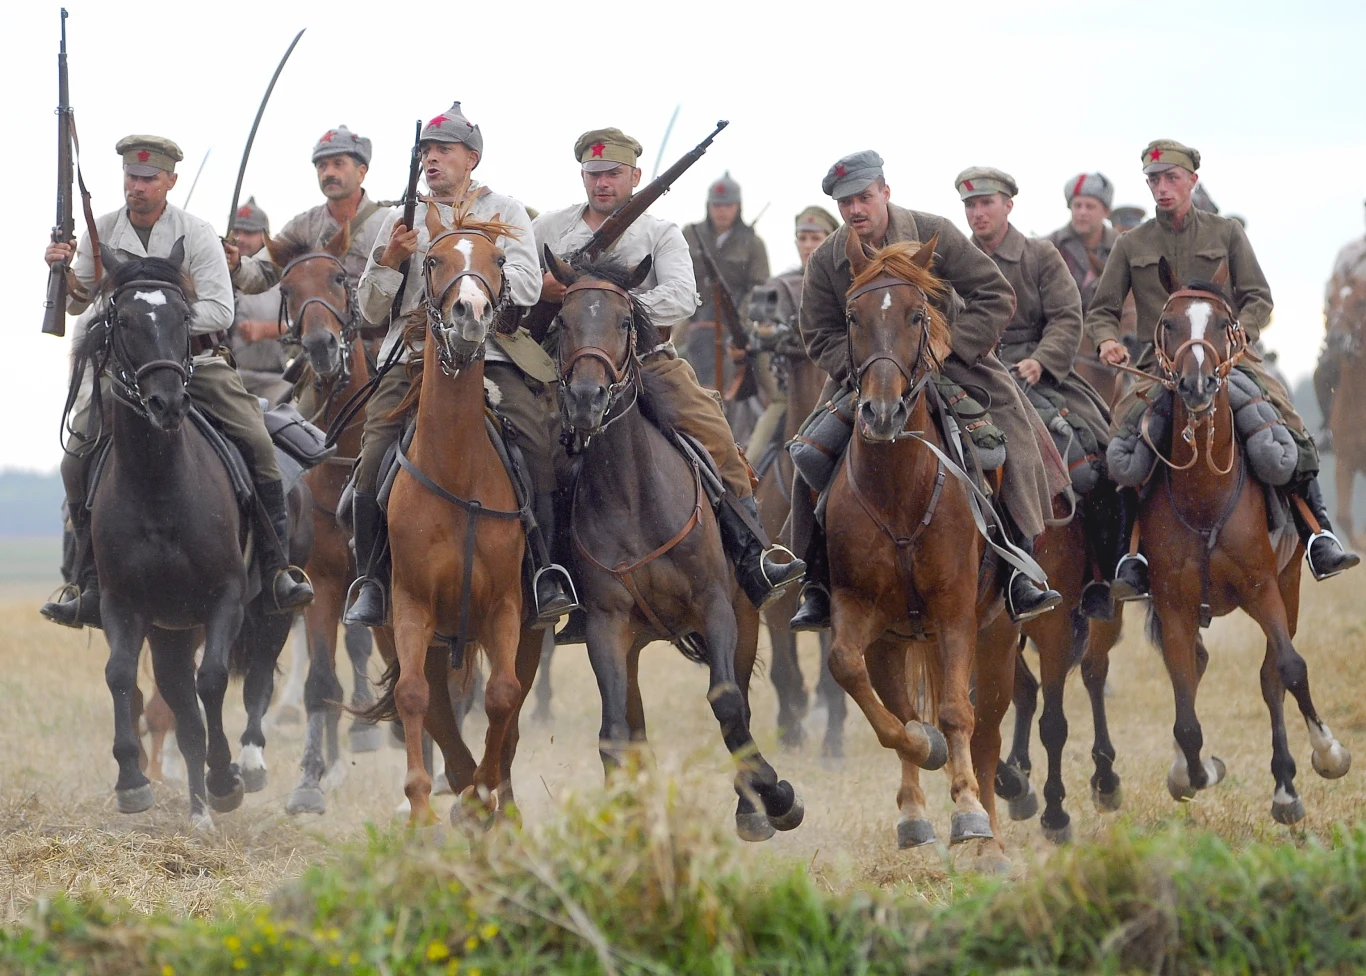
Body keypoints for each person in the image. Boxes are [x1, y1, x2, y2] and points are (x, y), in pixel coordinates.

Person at [41, 135, 312, 628]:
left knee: (257, 440)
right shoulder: (99, 233)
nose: (137, 187)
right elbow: (79, 304)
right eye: (131, 177)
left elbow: (221, 307)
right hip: (123, 370)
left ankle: (277, 570)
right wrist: (65, 273)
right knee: (74, 457)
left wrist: (158, 322)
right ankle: (87, 581)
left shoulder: (198, 233)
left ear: (170, 181)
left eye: (147, 179)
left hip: (198, 363)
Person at [533, 127, 805, 612]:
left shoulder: (660, 232)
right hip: (568, 369)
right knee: (527, 451)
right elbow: (517, 290)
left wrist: (612, 307)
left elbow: (682, 295)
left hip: (648, 363)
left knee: (717, 438)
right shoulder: (550, 230)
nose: (602, 183)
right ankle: (547, 575)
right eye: (593, 174)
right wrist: (545, 294)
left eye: (613, 174)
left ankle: (752, 555)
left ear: (635, 177)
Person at [790, 151, 1063, 629]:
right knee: (809, 454)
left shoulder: (932, 233)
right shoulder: (828, 261)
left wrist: (950, 346)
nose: (856, 210)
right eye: (846, 202)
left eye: (864, 198)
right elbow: (818, 333)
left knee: (1011, 436)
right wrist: (864, 366)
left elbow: (994, 294)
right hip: (868, 378)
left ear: (885, 193)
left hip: (953, 366)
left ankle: (1021, 567)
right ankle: (810, 580)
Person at [1089, 139, 1358, 591]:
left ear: (1192, 180)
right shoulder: (1131, 243)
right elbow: (1102, 310)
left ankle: (1319, 535)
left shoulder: (1226, 233)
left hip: (1228, 361)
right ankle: (1126, 559)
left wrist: (1240, 335)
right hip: (1159, 368)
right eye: (1153, 180)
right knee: (1120, 445)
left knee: (1284, 424)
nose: (1161, 188)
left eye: (1171, 178)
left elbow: (1260, 299)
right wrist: (1107, 340)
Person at [343, 103, 573, 627]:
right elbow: (371, 311)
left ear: (471, 157)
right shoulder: (396, 221)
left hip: (491, 357)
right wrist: (388, 263)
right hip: (413, 359)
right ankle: (372, 582)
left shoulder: (506, 212)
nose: (432, 159)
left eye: (443, 150)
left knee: (537, 445)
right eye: (426, 151)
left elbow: (529, 285)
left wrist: (474, 303)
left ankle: (544, 572)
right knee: (374, 452)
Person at [957, 166, 1121, 610]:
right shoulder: (952, 261)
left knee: (1094, 456)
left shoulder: (1040, 255)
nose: (977, 213)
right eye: (970, 205)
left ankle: (1101, 576)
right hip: (970, 376)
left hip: (1038, 374)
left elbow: (1068, 318)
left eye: (985, 203)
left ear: (1008, 205)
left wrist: (1041, 360)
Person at [225, 126, 392, 295]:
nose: (328, 173)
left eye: (338, 163)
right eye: (322, 166)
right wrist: (237, 264)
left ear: (361, 172)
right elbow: (263, 270)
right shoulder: (303, 226)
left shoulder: (388, 222)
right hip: (315, 320)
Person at [744, 206, 838, 463]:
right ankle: (743, 492)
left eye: (815, 238)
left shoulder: (848, 282)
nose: (807, 245)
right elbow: (761, 324)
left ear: (831, 239)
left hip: (843, 388)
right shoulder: (780, 285)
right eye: (802, 238)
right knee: (753, 457)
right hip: (791, 387)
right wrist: (770, 332)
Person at [680, 172, 771, 392]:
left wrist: (745, 324)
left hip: (737, 322)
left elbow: (761, 289)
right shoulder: (690, 235)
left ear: (738, 207)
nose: (722, 211)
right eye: (717, 205)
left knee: (770, 384)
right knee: (663, 359)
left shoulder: (753, 243)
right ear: (708, 206)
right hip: (693, 317)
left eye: (728, 205)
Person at [226, 197, 291, 404]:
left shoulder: (285, 275)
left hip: (275, 381)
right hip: (228, 379)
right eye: (236, 232)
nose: (241, 238)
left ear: (265, 237)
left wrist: (267, 330)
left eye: (249, 233)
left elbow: (303, 326)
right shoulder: (215, 272)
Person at [1314, 200, 1366, 438]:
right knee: (1323, 371)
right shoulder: (1350, 253)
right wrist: (1334, 319)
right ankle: (1329, 427)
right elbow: (1332, 289)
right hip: (1352, 331)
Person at [1047, 172, 1118, 312]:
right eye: (1077, 205)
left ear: (1106, 212)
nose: (1082, 212)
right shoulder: (1050, 245)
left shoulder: (1121, 245)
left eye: (1090, 206)